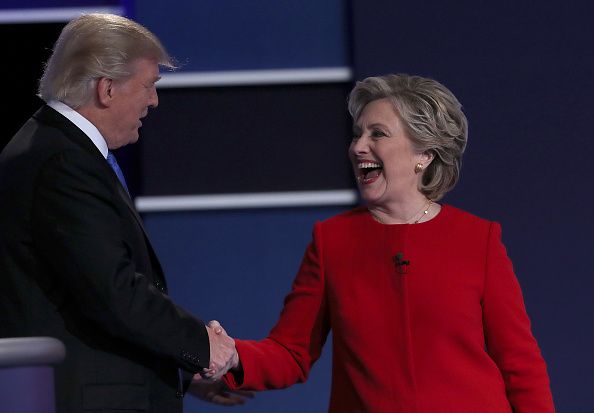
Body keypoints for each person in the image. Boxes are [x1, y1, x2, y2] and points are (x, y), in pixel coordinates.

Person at [201, 73, 556, 412]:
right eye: (357, 134)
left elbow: (519, 363)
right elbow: (291, 353)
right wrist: (234, 355)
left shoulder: (478, 239)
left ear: (424, 154)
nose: (358, 147)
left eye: (378, 134)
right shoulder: (332, 240)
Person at [0, 13, 240, 413]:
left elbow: (76, 296)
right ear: (107, 89)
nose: (154, 100)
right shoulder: (60, 163)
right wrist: (201, 345)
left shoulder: (52, 149)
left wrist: (179, 368)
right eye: (148, 86)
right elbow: (113, 291)